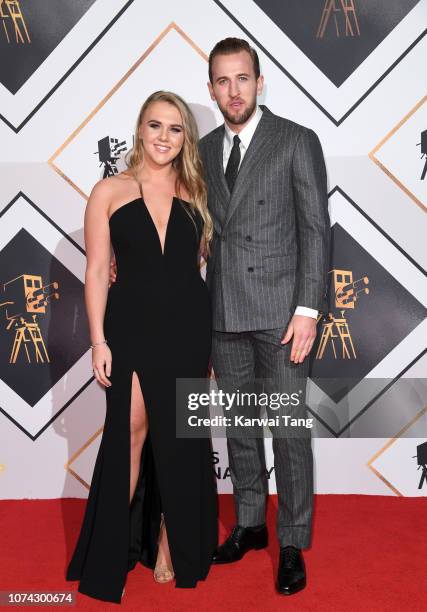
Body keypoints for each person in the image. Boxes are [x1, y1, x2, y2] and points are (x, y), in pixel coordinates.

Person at [66, 91, 218, 604]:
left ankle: (169, 543)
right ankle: (110, 552)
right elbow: (95, 272)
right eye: (155, 125)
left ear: (185, 138)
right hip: (128, 325)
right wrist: (98, 338)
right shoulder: (109, 190)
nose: (163, 137)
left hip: (187, 327)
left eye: (175, 129)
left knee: (179, 435)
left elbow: (197, 270)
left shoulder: (197, 191)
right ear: (139, 130)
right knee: (129, 432)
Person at [198, 38, 330, 595]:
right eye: (223, 81)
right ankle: (251, 523)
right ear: (211, 89)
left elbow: (316, 231)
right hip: (224, 311)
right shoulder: (202, 149)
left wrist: (307, 310)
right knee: (242, 430)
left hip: (282, 315)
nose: (234, 91)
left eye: (242, 79)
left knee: (289, 432)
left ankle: (293, 540)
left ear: (259, 81)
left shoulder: (296, 140)